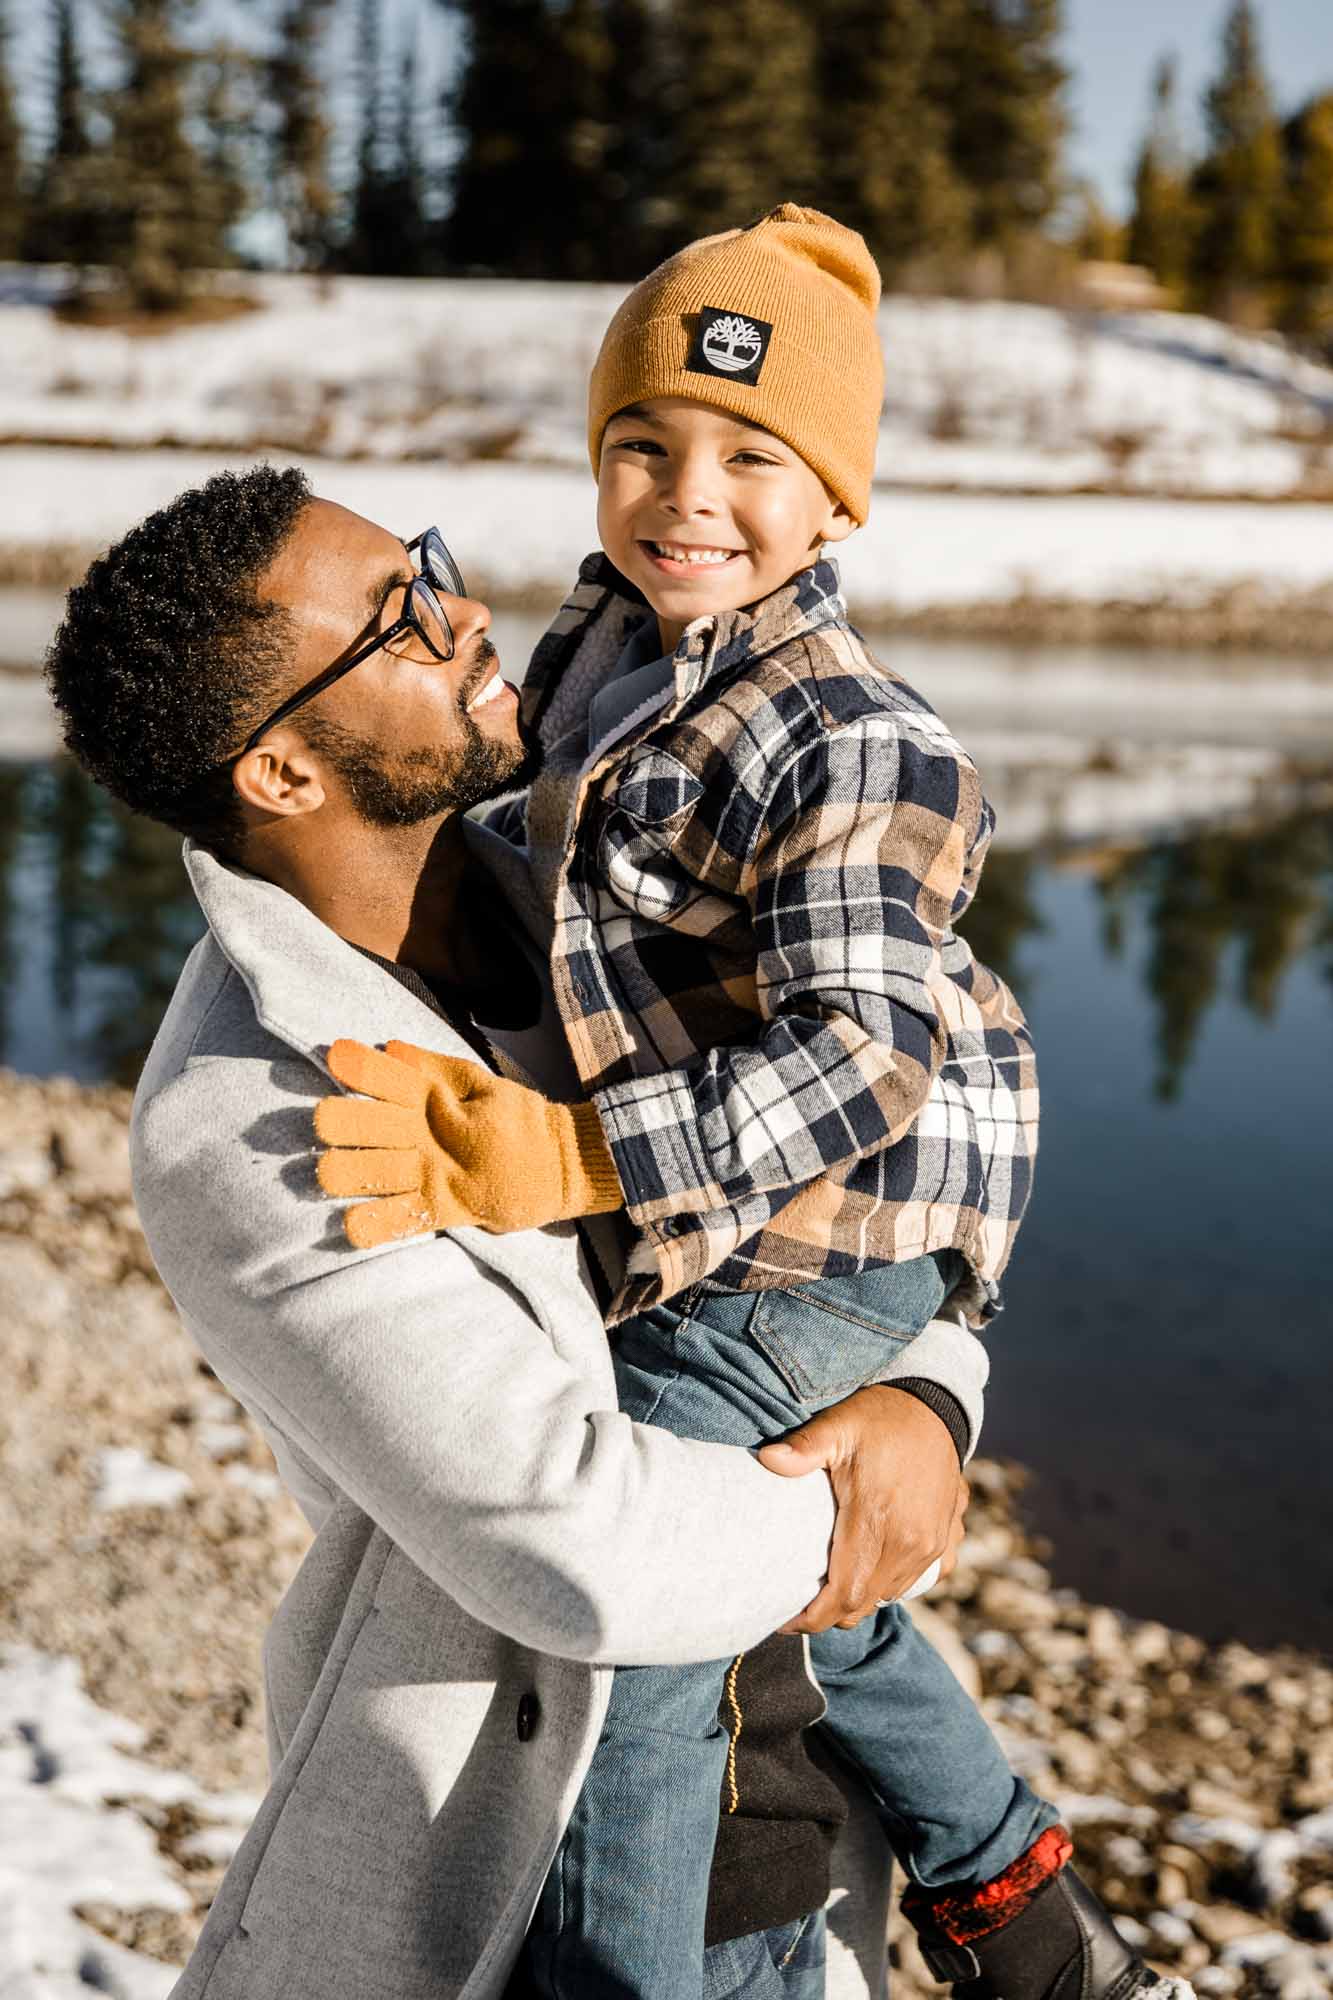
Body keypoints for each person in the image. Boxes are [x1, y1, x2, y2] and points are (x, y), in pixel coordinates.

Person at [316, 208, 1194, 2000]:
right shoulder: (597, 654)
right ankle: (1002, 1884)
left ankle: (624, 1973)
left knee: (644, 1560)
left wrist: (576, 1148)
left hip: (825, 1230)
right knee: (795, 1546)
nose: (683, 494)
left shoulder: (849, 734)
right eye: (641, 444)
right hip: (735, 1217)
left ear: (838, 500)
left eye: (750, 456)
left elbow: (863, 1054)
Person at [44, 462, 990, 2000]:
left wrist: (929, 1392)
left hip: (798, 1791)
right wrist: (870, 1497)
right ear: (283, 774)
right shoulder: (243, 1119)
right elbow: (575, 1544)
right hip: (560, 1867)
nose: (465, 608)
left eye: (424, 562)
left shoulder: (597, 893)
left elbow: (884, 1136)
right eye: (401, 617)